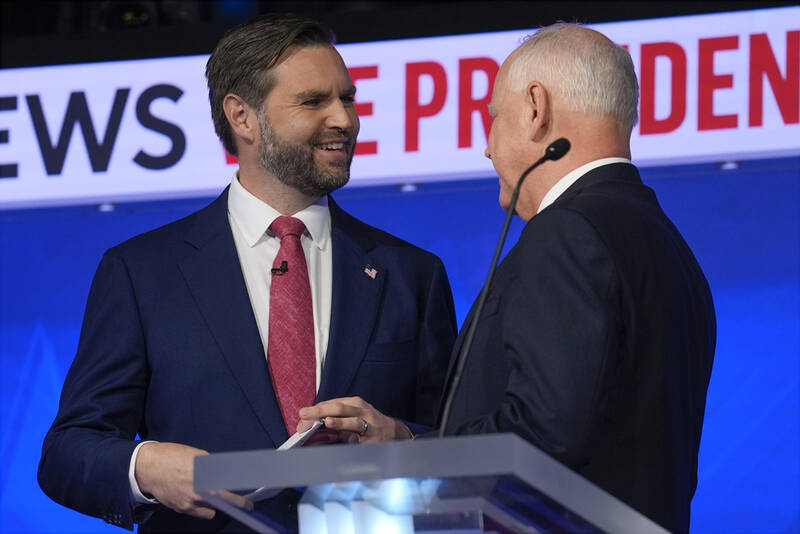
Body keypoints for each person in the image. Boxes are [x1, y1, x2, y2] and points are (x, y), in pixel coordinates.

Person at [37, 14, 456, 533]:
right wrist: (146, 467)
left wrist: (402, 440)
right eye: (314, 101)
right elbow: (68, 450)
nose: (344, 119)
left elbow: (459, 445)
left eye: (346, 99)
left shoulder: (411, 274)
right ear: (242, 116)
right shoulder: (143, 272)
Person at [300, 23, 716, 532]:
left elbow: (540, 437)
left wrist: (406, 464)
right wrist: (404, 441)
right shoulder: (667, 243)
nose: (488, 149)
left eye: (493, 116)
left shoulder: (567, 232)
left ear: (536, 108)